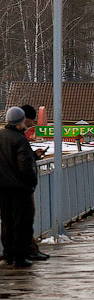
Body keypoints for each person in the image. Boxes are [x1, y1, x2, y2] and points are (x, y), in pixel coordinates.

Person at [0, 107, 39, 268]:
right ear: (19, 122)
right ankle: (20, 257)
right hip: (18, 188)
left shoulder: (1, 136)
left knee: (6, 221)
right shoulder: (20, 139)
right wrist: (31, 183)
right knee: (20, 222)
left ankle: (7, 254)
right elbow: (24, 166)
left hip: (2, 188)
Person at [17, 104, 49, 261]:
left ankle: (17, 252)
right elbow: (22, 163)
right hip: (21, 186)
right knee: (25, 218)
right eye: (31, 120)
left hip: (12, 186)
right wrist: (31, 182)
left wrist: (34, 155)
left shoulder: (9, 137)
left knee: (15, 220)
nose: (32, 124)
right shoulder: (19, 138)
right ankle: (27, 251)